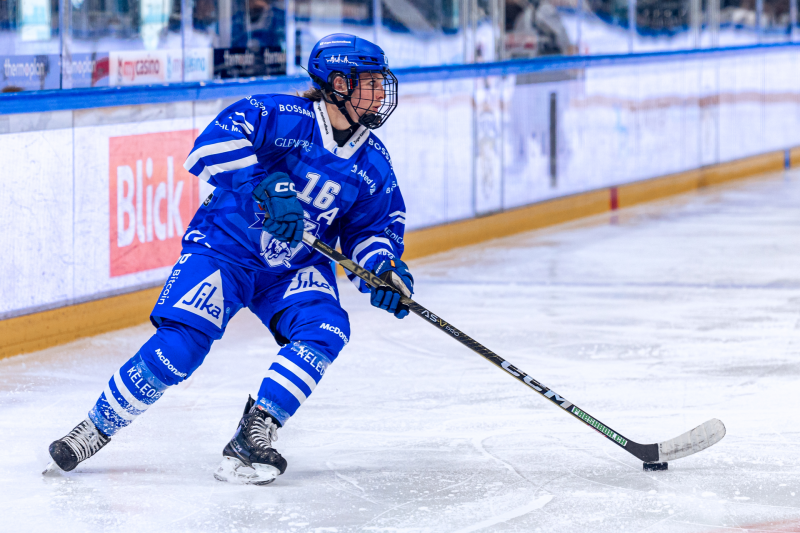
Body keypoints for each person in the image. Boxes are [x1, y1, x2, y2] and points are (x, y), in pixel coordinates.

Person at [44, 33, 413, 486]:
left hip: (292, 269)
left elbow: (370, 230)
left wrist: (381, 269)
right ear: (338, 81)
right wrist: (266, 184)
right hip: (225, 248)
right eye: (371, 82)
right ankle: (96, 427)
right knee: (182, 347)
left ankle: (256, 430)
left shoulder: (373, 162)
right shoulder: (280, 113)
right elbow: (209, 145)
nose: (381, 93)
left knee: (327, 329)